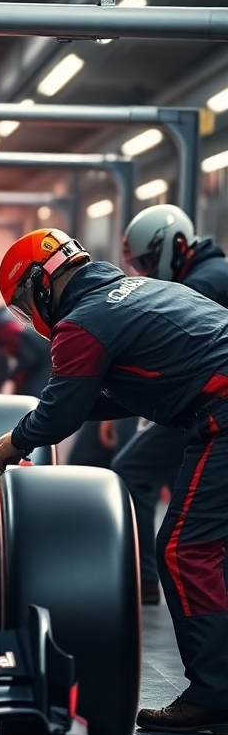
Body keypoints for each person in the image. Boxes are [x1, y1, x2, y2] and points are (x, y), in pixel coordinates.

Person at [0, 227, 228, 734]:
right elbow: (124, 390)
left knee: (186, 551)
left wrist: (17, 440)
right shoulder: (144, 290)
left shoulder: (85, 322)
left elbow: (57, 416)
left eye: (20, 304)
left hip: (223, 413)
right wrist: (67, 409)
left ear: (38, 284)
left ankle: (215, 694)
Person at [113, 205, 228, 604]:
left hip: (213, 401)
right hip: (210, 398)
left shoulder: (203, 285)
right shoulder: (210, 274)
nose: (143, 272)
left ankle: (142, 579)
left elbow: (177, 362)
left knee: (132, 470)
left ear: (177, 244)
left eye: (146, 261)